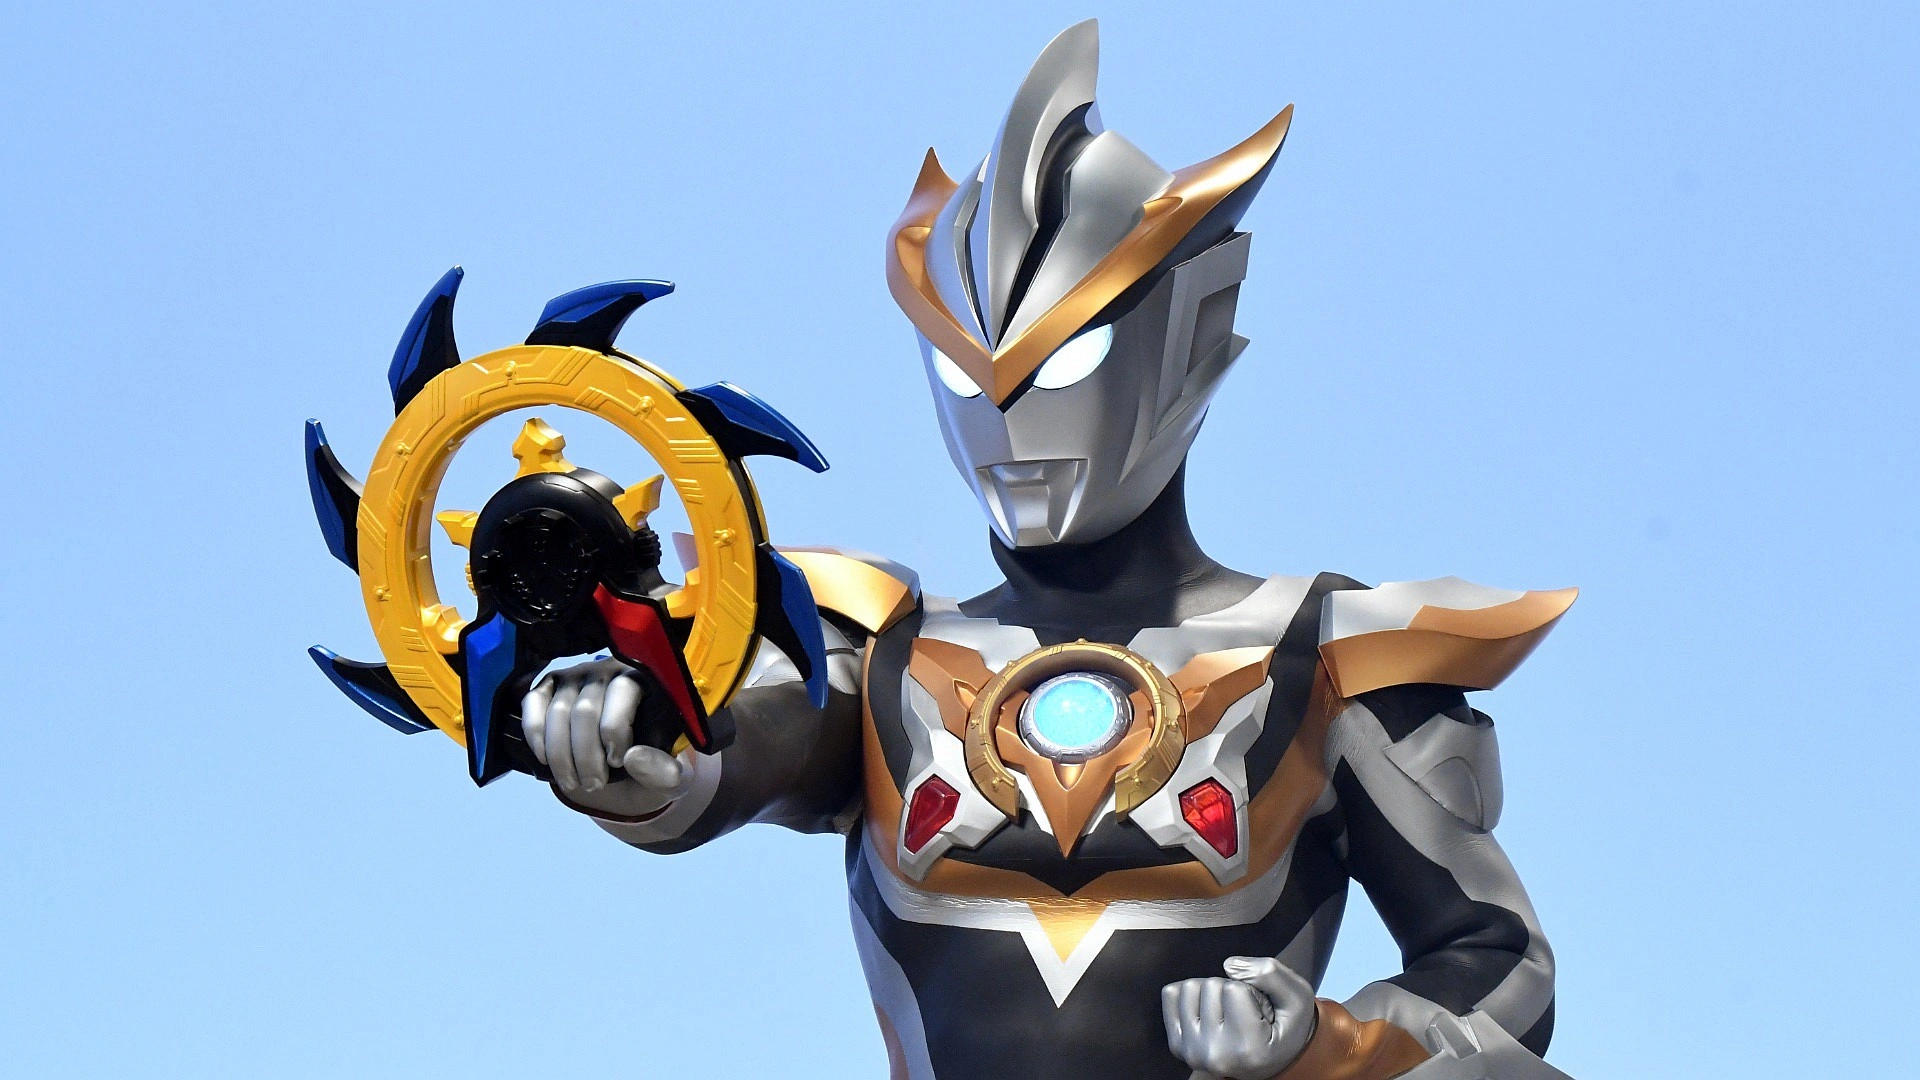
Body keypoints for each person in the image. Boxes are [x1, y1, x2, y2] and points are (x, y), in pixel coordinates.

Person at [524, 21, 1574, 1080]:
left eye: (1070, 356)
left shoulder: (1325, 658)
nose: (1008, 416)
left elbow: (1498, 964)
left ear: (1194, 332)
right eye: (964, 372)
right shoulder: (884, 650)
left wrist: (1323, 1044)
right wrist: (635, 726)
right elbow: (742, 744)